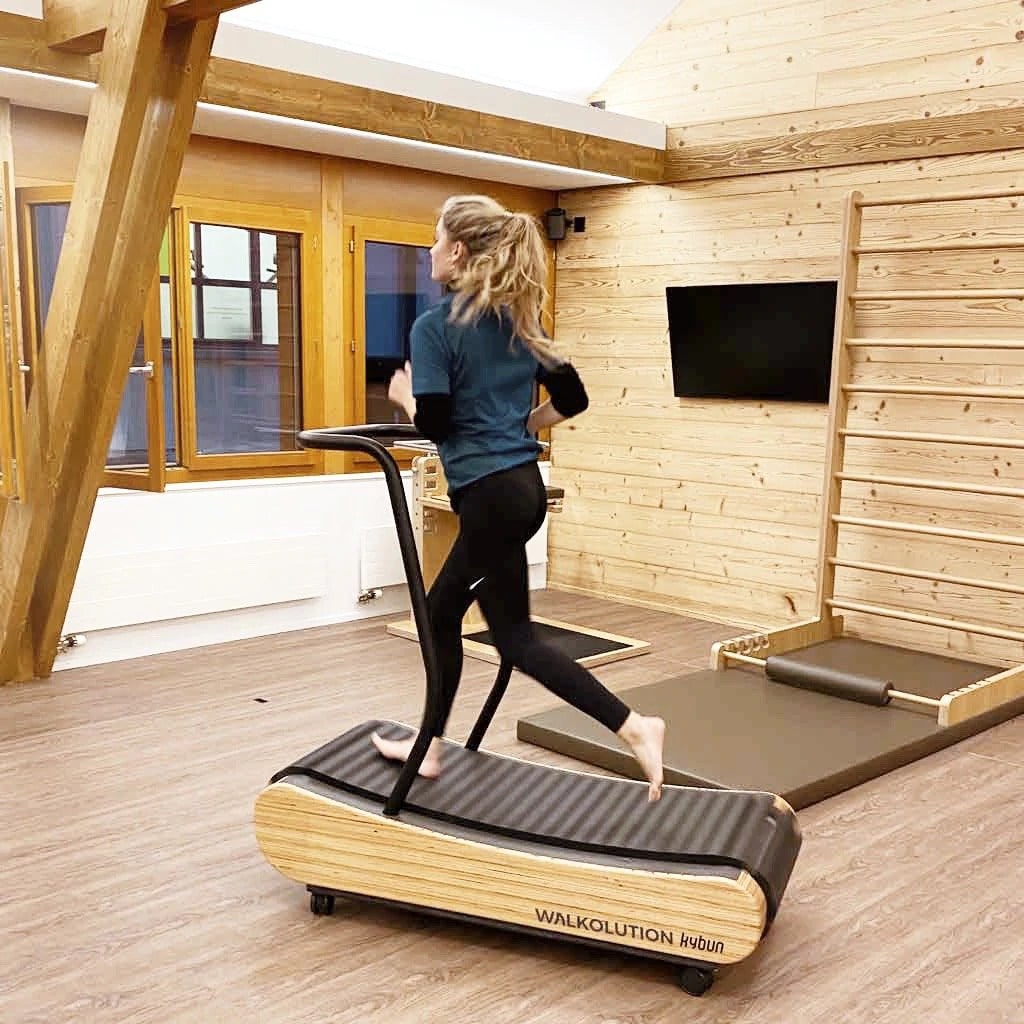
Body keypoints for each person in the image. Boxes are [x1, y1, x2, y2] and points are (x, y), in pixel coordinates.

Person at [372, 194, 666, 802]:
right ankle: (633, 727)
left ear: (456, 251)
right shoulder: (519, 323)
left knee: (441, 615)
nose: (428, 249)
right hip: (523, 493)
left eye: (434, 238)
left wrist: (404, 399)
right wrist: (521, 427)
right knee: (511, 636)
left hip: (487, 496)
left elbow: (438, 424)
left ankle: (433, 749)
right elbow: (574, 398)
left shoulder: (434, 327)